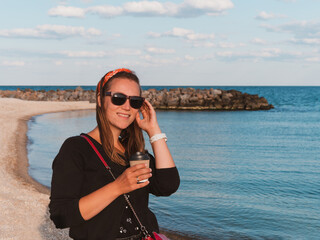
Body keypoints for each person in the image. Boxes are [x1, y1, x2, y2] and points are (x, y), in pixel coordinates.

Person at [49, 68, 180, 240]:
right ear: (100, 100)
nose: (126, 106)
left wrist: (153, 130)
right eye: (118, 98)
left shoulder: (133, 151)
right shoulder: (76, 148)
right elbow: (61, 215)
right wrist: (117, 187)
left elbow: (168, 185)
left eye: (135, 101)